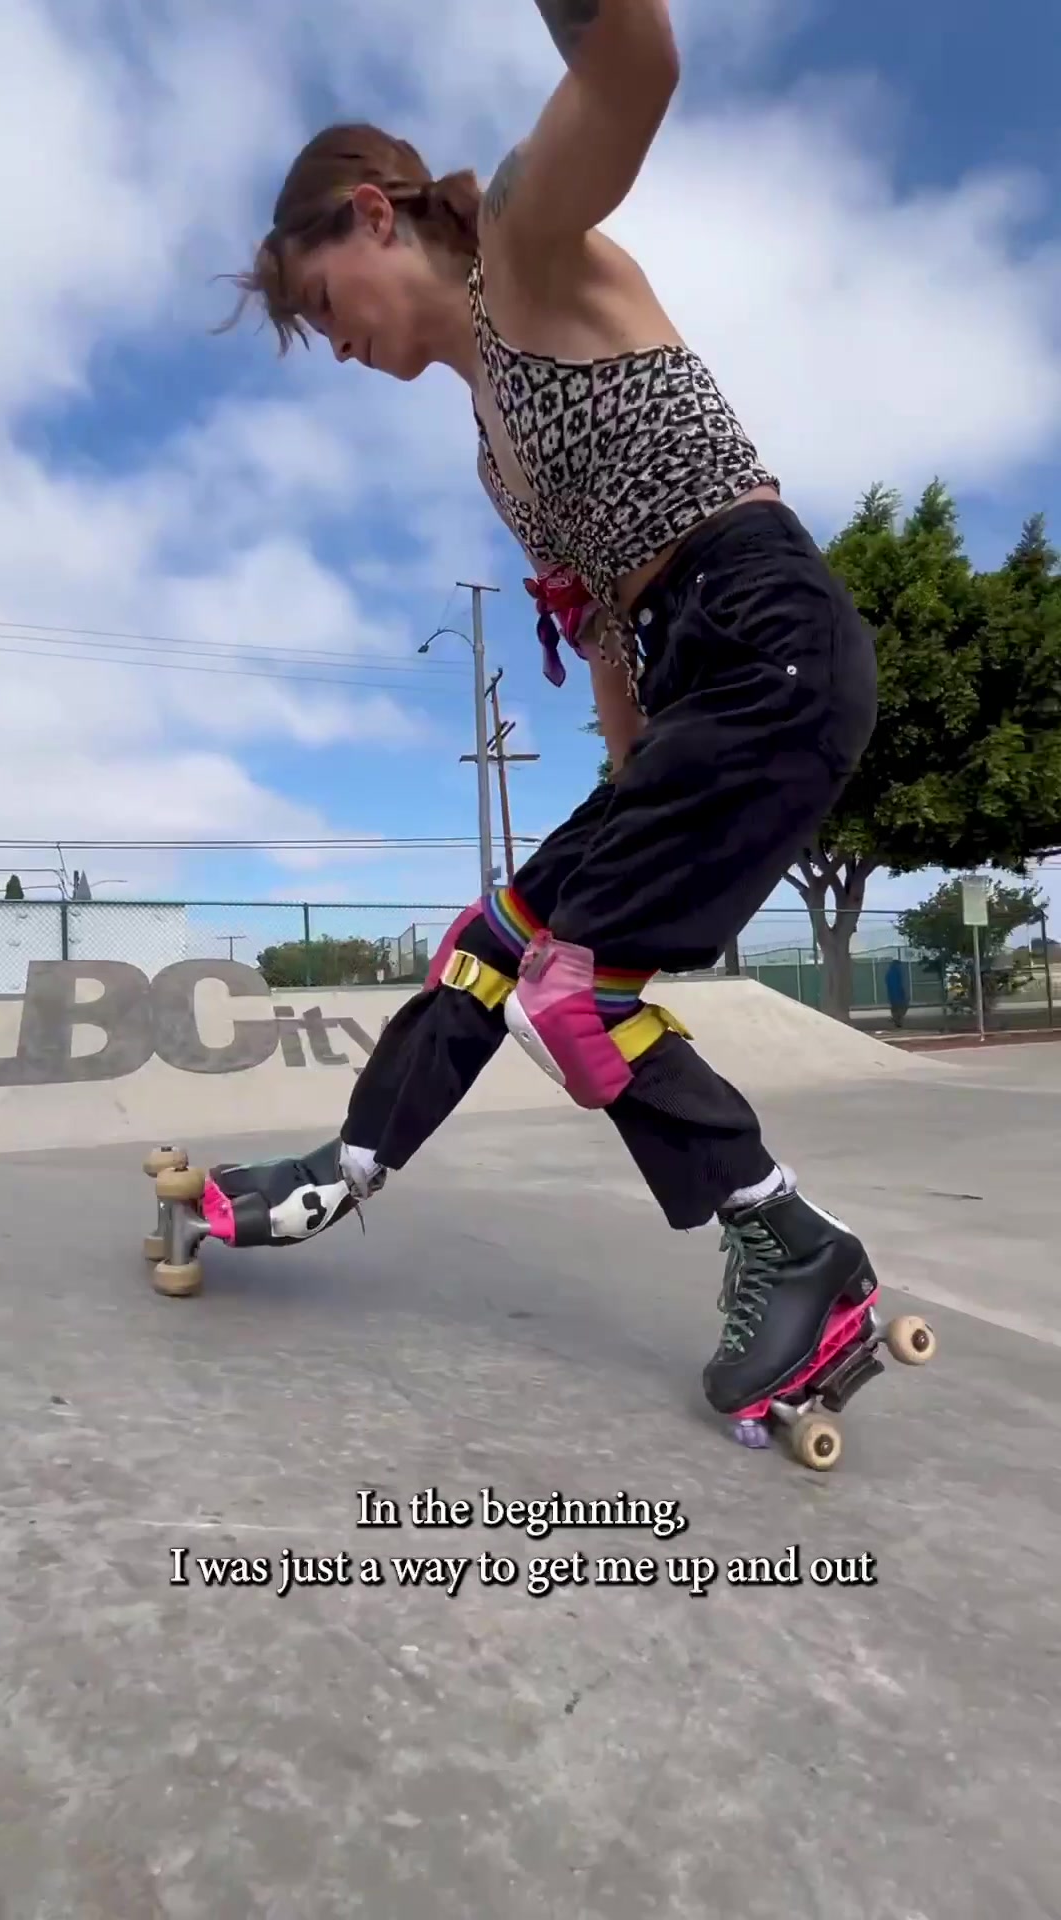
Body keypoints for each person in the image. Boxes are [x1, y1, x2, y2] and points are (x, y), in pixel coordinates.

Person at [208, 0, 880, 1423]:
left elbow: (634, 64)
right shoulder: (494, 456)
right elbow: (610, 647)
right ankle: (347, 1170)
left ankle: (794, 1245)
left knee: (579, 995)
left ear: (374, 217)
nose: (334, 346)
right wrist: (623, 808)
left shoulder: (526, 243)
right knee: (498, 944)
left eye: (322, 305)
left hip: (768, 638)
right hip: (698, 687)